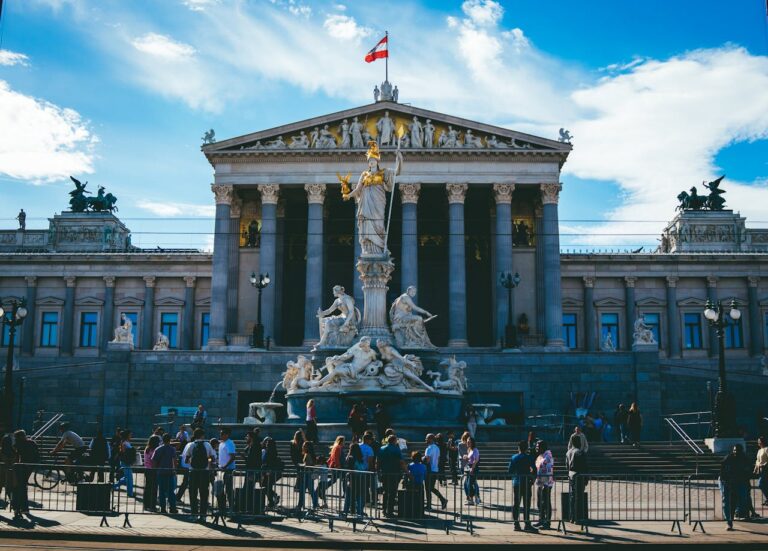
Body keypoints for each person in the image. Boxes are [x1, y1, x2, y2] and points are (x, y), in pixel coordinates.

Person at [182, 428, 216, 523]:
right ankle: (203, 516)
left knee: (193, 494)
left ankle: (194, 515)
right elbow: (212, 458)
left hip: (193, 472)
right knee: (204, 494)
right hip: (204, 472)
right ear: (202, 435)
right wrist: (208, 461)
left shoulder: (191, 445)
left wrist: (192, 462)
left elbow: (186, 460)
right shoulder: (207, 445)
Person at [507, 440, 537, 532]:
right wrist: (532, 479)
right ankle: (527, 523)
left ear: (518, 448)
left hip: (517, 482)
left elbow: (510, 470)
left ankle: (516, 524)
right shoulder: (529, 457)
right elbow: (534, 469)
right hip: (526, 482)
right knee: (526, 504)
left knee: (516, 503)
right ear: (527, 448)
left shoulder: (514, 457)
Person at [11, 430, 39, 520]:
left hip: (20, 467)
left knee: (18, 488)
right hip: (28, 467)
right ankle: (23, 508)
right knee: (22, 487)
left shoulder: (19, 444)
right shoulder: (32, 443)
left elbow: (16, 455)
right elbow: (36, 456)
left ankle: (18, 508)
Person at [378, 434, 404, 517]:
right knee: (392, 493)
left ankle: (384, 510)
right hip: (394, 473)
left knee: (385, 491)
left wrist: (378, 470)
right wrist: (406, 470)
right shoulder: (396, 449)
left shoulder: (382, 448)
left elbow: (378, 461)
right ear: (394, 441)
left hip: (384, 472)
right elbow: (401, 461)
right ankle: (390, 511)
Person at [153, 433, 178, 513]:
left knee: (161, 491)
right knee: (171, 491)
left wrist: (156, 470)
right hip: (170, 472)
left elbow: (154, 461)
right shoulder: (172, 449)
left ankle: (163, 508)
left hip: (160, 472)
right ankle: (172, 508)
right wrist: (175, 470)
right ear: (169, 440)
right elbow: (175, 460)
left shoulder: (158, 449)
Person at [566, 433, 588, 524]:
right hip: (579, 475)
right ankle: (577, 517)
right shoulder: (579, 452)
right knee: (579, 497)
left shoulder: (568, 452)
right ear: (578, 442)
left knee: (572, 496)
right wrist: (586, 478)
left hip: (571, 475)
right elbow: (584, 466)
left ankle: (572, 517)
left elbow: (566, 466)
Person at [534, 440, 554, 530]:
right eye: (536, 446)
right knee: (540, 502)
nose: (536, 448)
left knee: (545, 502)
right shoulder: (541, 455)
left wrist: (544, 484)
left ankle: (547, 522)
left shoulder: (548, 456)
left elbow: (546, 470)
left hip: (546, 483)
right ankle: (541, 519)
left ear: (543, 447)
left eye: (538, 446)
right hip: (540, 482)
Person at [423, 434, 447, 510]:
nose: (425, 440)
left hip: (429, 470)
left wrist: (422, 460)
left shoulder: (429, 448)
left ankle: (429, 505)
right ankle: (442, 500)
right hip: (435, 469)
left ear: (431, 439)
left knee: (428, 488)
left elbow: (427, 460)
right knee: (431, 488)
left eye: (427, 438)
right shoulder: (437, 448)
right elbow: (438, 459)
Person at [343, 442, 366, 517]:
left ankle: (346, 510)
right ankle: (359, 511)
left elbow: (350, 469)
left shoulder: (351, 457)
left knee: (349, 495)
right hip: (361, 477)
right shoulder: (360, 457)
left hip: (353, 477)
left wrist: (349, 480)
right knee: (360, 495)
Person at [217, 427, 237, 513]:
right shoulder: (222, 443)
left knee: (228, 489)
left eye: (222, 434)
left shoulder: (229, 443)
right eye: (220, 433)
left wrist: (225, 466)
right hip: (221, 469)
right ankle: (222, 507)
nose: (220, 435)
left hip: (228, 469)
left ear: (227, 435)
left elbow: (232, 457)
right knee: (220, 489)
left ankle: (231, 507)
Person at [113, 430, 137, 497]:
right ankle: (130, 493)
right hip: (125, 462)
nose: (131, 436)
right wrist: (132, 450)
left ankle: (113, 486)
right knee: (129, 479)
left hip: (125, 462)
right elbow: (124, 452)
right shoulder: (125, 443)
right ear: (127, 435)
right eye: (130, 434)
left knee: (126, 478)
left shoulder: (125, 442)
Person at [261, 437, 283, 508]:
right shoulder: (272, 451)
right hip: (269, 472)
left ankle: (271, 501)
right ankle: (273, 498)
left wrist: (268, 470)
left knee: (266, 487)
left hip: (269, 472)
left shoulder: (270, 452)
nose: (266, 444)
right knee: (267, 487)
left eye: (268, 443)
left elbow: (269, 462)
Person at [298, 441, 319, 512]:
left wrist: (301, 465)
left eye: (304, 446)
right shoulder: (309, 454)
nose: (302, 447)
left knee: (305, 490)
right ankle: (314, 504)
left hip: (307, 474)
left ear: (307, 447)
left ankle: (301, 505)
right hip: (309, 473)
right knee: (310, 490)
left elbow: (308, 465)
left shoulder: (308, 455)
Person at [143, 435, 161, 511]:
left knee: (147, 488)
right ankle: (152, 506)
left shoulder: (147, 449)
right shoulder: (154, 450)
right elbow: (154, 461)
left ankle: (146, 505)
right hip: (153, 470)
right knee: (154, 489)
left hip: (147, 469)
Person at [463, 436, 480, 505]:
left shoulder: (475, 450)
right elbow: (470, 459)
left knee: (470, 484)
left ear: (472, 443)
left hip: (473, 468)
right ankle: (474, 497)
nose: (467, 443)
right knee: (467, 483)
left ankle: (473, 498)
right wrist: (466, 458)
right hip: (469, 467)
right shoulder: (469, 450)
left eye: (469, 442)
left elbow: (476, 460)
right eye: (467, 442)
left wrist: (472, 468)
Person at [755, 436, 768, 506]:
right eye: (758, 441)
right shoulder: (759, 450)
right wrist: (755, 469)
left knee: (761, 484)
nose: (758, 443)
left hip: (766, 469)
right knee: (764, 484)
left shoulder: (767, 449)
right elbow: (757, 460)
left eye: (759, 441)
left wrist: (764, 465)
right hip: (760, 470)